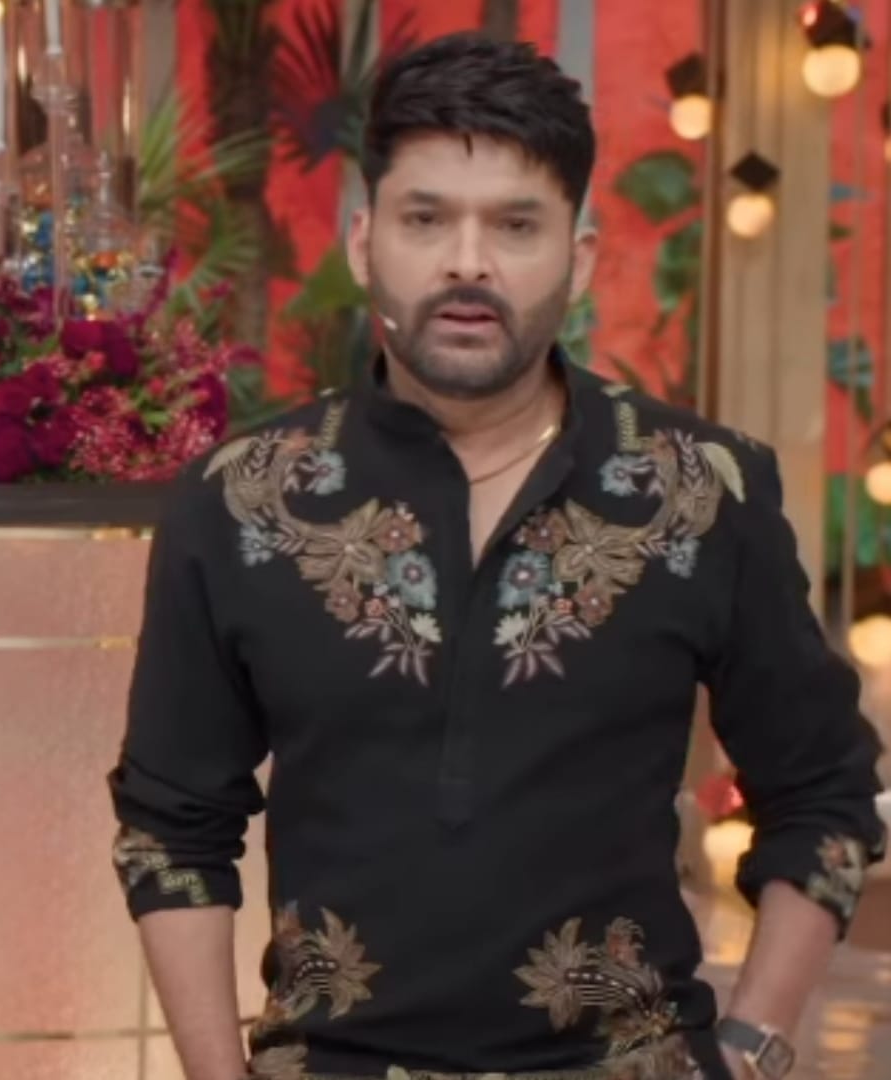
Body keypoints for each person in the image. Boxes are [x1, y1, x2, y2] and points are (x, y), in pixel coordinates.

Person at [108, 33, 886, 1080]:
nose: (467, 262)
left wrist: (752, 1046)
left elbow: (824, 791)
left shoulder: (700, 490)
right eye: (426, 218)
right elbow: (173, 827)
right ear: (363, 242)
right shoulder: (240, 499)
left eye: (516, 225)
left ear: (580, 257)